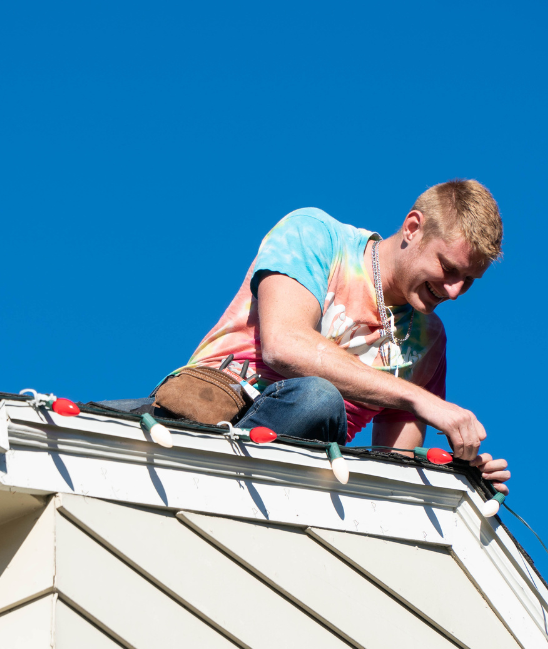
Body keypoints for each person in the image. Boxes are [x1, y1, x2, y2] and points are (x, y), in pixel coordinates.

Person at [182, 179, 510, 494]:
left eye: (468, 280)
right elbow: (283, 344)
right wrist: (418, 397)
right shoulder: (316, 235)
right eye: (449, 268)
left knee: (323, 407)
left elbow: (392, 469)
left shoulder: (428, 341)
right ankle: (204, 479)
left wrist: (457, 475)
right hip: (211, 413)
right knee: (319, 399)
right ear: (412, 228)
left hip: (305, 465)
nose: (454, 292)